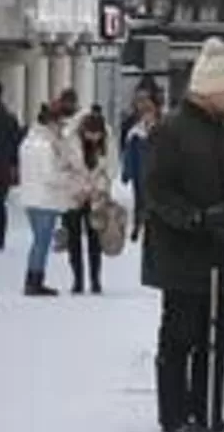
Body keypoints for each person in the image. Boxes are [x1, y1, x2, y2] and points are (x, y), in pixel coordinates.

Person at [142, 38, 224, 432]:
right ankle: (175, 417)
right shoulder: (171, 131)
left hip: (221, 253)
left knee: (216, 337)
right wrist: (195, 218)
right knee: (180, 336)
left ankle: (209, 412)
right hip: (182, 255)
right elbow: (157, 191)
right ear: (212, 89)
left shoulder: (222, 132)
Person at [16, 104, 68, 297]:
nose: (61, 128)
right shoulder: (46, 146)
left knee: (39, 241)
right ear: (50, 123)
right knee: (42, 242)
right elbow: (50, 176)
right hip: (45, 199)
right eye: (59, 124)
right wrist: (68, 178)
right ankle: (34, 281)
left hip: (30, 197)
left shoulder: (27, 142)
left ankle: (33, 279)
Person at [65, 108, 113, 295]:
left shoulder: (107, 142)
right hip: (74, 196)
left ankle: (95, 280)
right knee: (74, 239)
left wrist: (99, 190)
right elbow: (63, 169)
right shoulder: (70, 141)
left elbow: (110, 170)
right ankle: (77, 280)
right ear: (83, 131)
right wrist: (80, 190)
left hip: (96, 197)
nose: (94, 138)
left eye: (97, 135)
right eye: (90, 134)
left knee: (95, 239)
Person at [120, 82, 159, 241]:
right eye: (145, 114)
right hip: (140, 171)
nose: (147, 117)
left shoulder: (161, 130)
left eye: (150, 113)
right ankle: (138, 224)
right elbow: (129, 154)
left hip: (157, 173)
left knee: (153, 201)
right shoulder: (135, 132)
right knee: (140, 199)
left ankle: (150, 227)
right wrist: (127, 172)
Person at [0, 81, 21, 253]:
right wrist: (14, 167)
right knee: (0, 204)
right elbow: (16, 145)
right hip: (3, 169)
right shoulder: (10, 118)